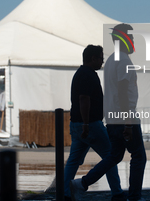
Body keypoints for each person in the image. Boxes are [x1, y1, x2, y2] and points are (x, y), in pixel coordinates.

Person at [70, 24, 147, 201]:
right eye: (131, 37)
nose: (133, 40)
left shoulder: (112, 60)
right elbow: (122, 92)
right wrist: (128, 122)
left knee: (114, 156)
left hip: (113, 119)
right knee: (139, 157)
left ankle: (81, 184)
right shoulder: (124, 61)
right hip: (125, 118)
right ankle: (135, 197)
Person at [64, 45, 126, 201]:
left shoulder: (80, 73)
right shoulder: (88, 75)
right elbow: (84, 99)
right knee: (110, 156)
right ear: (92, 58)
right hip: (90, 124)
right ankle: (116, 192)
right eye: (100, 58)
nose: (102, 62)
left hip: (76, 124)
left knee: (73, 161)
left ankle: (64, 192)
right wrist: (86, 124)